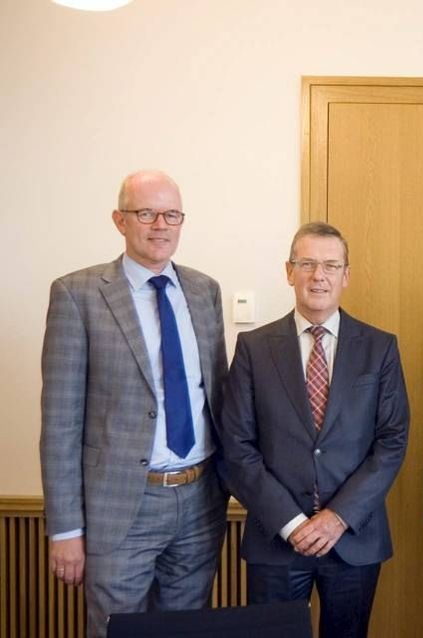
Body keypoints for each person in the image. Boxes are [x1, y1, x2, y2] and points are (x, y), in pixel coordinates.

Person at [40, 170, 229, 638]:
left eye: (172, 214)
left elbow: (218, 398)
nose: (160, 225)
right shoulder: (77, 295)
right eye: (146, 213)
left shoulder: (204, 292)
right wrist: (65, 530)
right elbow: (60, 423)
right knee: (115, 631)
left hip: (199, 501)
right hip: (123, 507)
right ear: (119, 220)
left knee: (185, 631)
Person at [218, 222, 409, 638]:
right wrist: (292, 522)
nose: (318, 276)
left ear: (346, 275)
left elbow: (391, 442)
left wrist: (337, 518)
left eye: (329, 265)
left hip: (353, 538)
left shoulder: (380, 348)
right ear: (289, 272)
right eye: (307, 264)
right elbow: (236, 447)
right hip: (276, 538)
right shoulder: (254, 349)